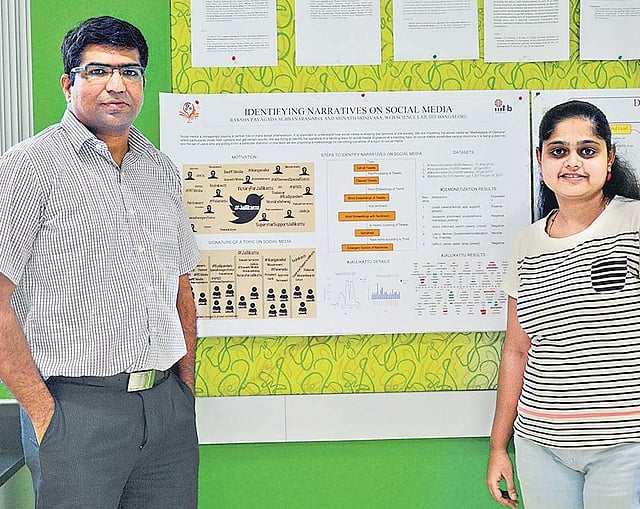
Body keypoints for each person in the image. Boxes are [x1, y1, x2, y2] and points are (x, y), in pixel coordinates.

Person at [0, 16, 200, 509]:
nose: (117, 85)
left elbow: (180, 286)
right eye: (98, 71)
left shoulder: (159, 169)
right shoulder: (29, 166)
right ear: (68, 83)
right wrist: (44, 415)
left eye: (130, 72)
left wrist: (184, 391)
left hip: (166, 410)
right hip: (75, 411)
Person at [486, 100, 640, 509]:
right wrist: (498, 447)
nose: (573, 162)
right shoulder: (527, 243)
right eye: (559, 151)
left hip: (626, 444)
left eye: (587, 150)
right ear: (541, 160)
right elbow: (516, 351)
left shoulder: (634, 223)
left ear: (609, 159)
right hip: (540, 444)